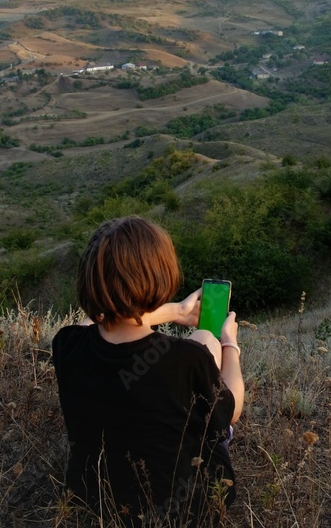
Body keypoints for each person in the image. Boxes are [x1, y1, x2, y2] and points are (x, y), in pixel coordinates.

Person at [52, 215, 244, 526]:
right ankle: (219, 437)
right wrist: (229, 346)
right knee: (205, 341)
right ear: (162, 274)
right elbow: (233, 407)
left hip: (92, 498)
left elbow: (95, 321)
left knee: (200, 342)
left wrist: (176, 310)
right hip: (183, 508)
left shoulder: (66, 344)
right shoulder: (186, 360)